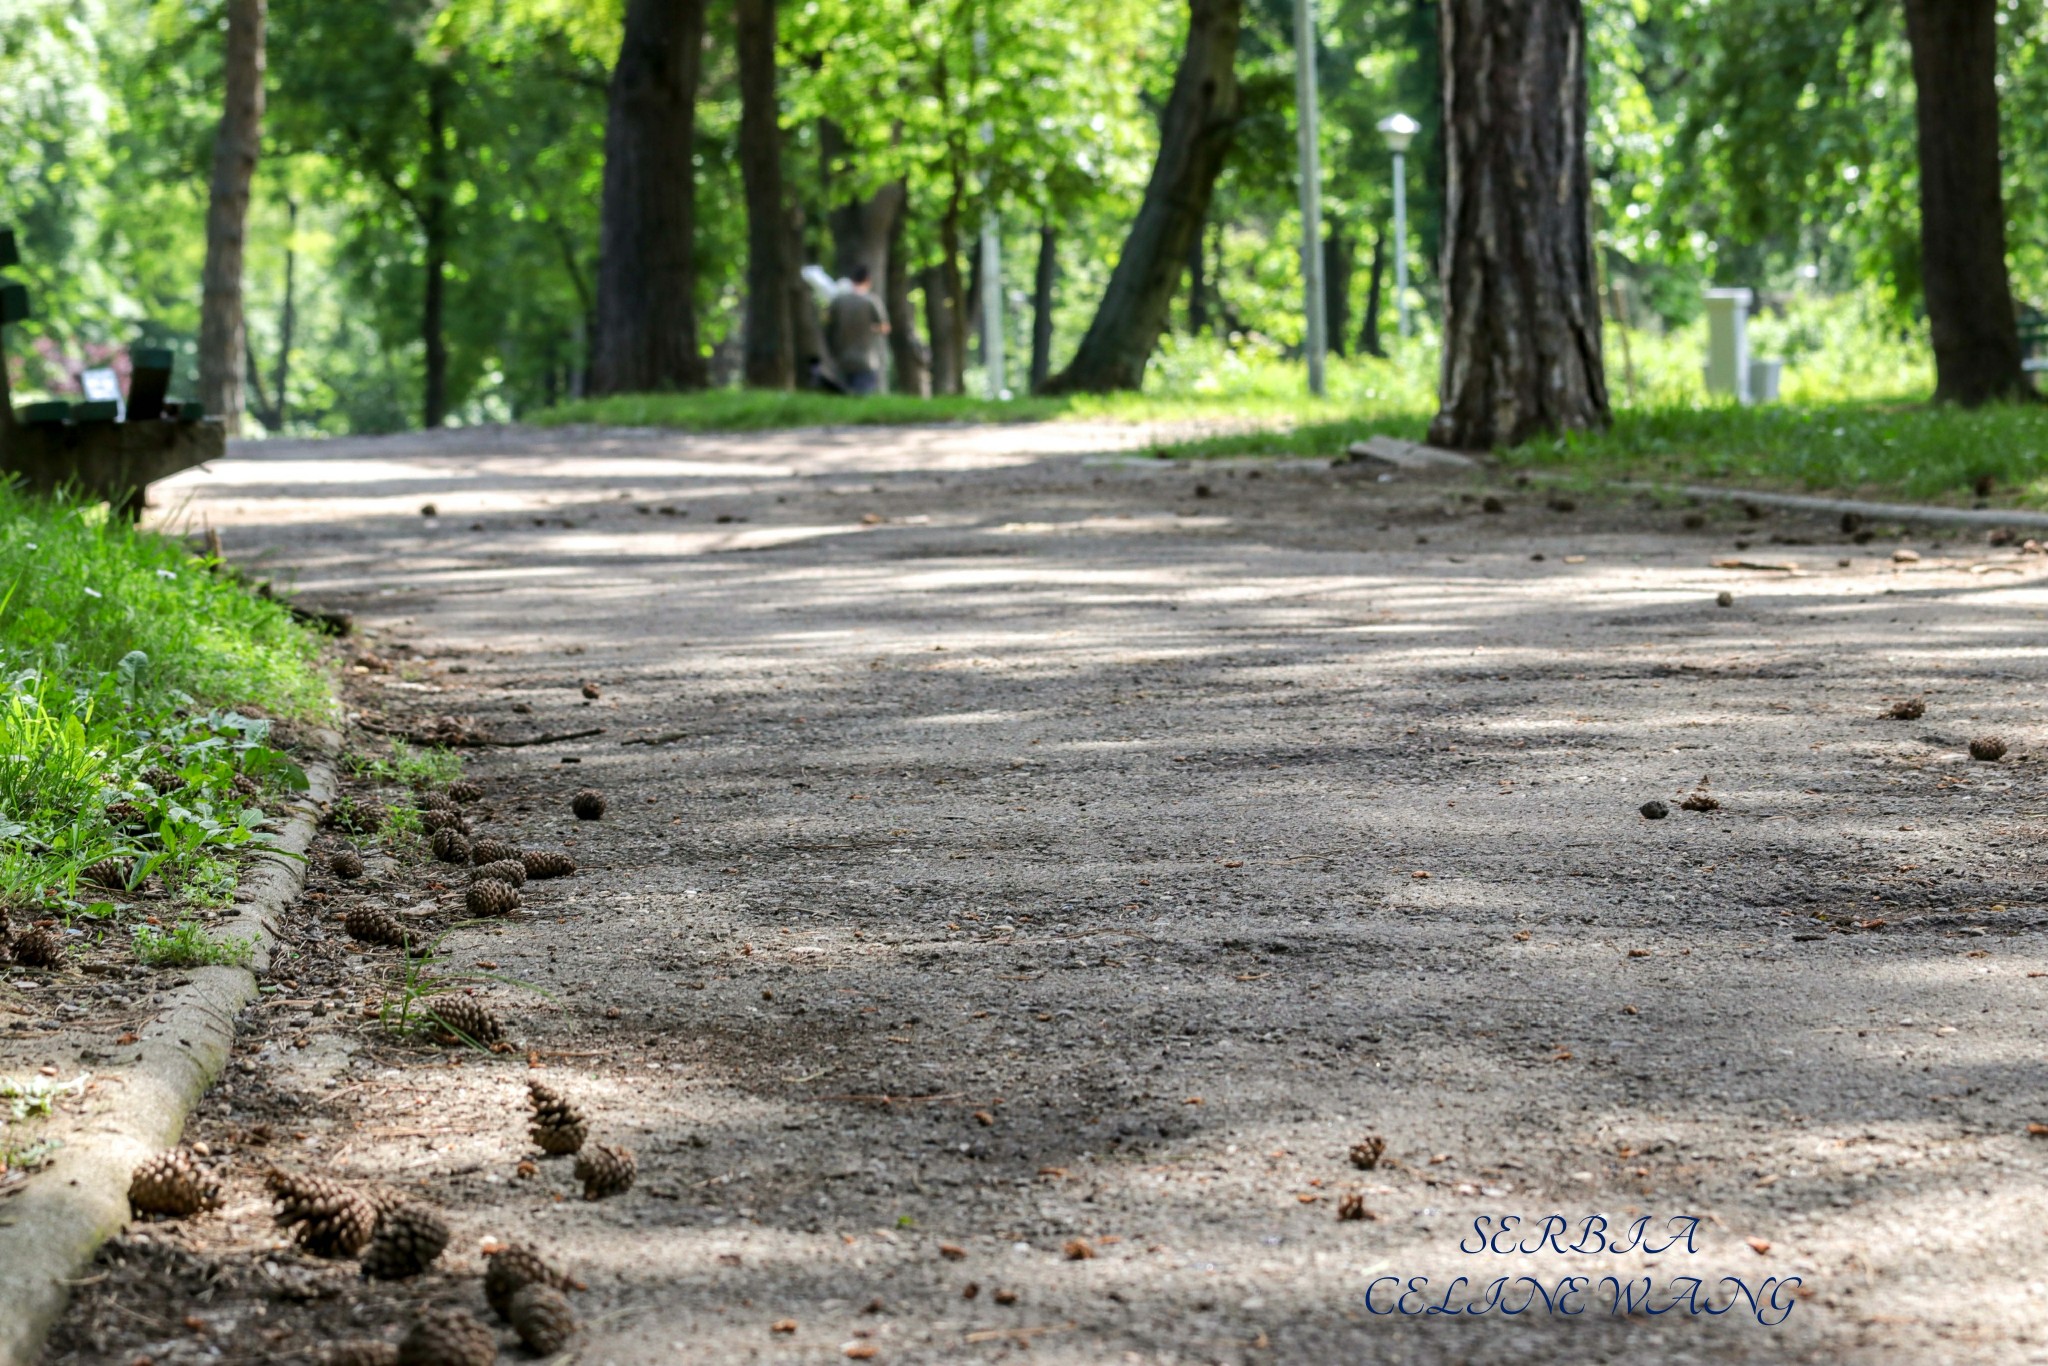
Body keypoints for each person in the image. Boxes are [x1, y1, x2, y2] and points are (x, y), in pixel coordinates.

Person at [824, 265, 890, 395]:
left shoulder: (837, 301)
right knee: (862, 398)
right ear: (868, 280)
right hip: (866, 360)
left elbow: (827, 324)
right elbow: (884, 328)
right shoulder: (871, 301)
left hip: (841, 359)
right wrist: (871, 328)